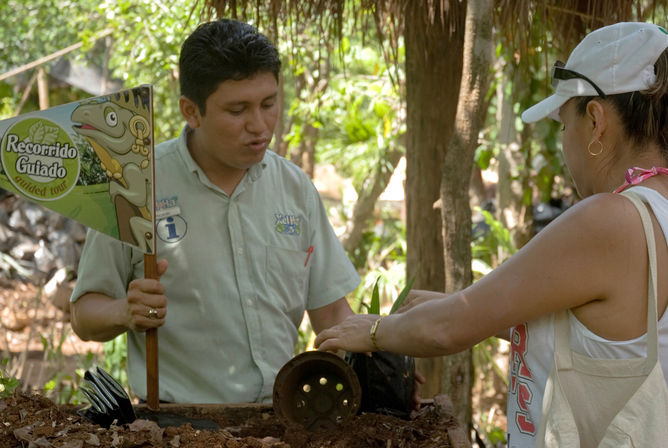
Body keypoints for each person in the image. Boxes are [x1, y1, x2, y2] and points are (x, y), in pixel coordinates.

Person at [316, 22, 668, 447]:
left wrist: (375, 331)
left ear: (595, 120)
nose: (564, 142)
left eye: (562, 125)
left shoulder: (610, 219)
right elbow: (609, 339)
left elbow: (447, 330)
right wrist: (453, 306)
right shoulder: (656, 212)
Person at [70, 19, 360, 404]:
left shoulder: (294, 189)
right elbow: (84, 314)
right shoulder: (135, 184)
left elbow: (333, 314)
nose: (259, 126)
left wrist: (381, 363)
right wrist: (125, 311)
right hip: (175, 427)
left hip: (281, 422)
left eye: (269, 104)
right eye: (237, 110)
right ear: (191, 111)